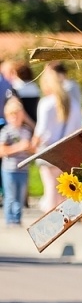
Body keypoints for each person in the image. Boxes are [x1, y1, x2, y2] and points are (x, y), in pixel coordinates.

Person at [32, 64, 82, 211]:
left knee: (50, 190)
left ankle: (50, 220)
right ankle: (65, 218)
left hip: (47, 151)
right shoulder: (74, 104)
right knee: (62, 192)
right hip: (66, 150)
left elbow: (41, 131)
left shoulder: (46, 103)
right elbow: (77, 127)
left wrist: (33, 145)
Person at [1, 95, 33, 226]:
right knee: (10, 195)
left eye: (17, 114)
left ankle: (17, 218)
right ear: (7, 116)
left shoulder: (26, 131)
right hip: (9, 169)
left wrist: (29, 147)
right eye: (12, 115)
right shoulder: (6, 131)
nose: (15, 117)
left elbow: (32, 149)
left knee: (20, 196)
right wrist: (19, 147)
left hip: (23, 169)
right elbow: (2, 151)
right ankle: (10, 219)